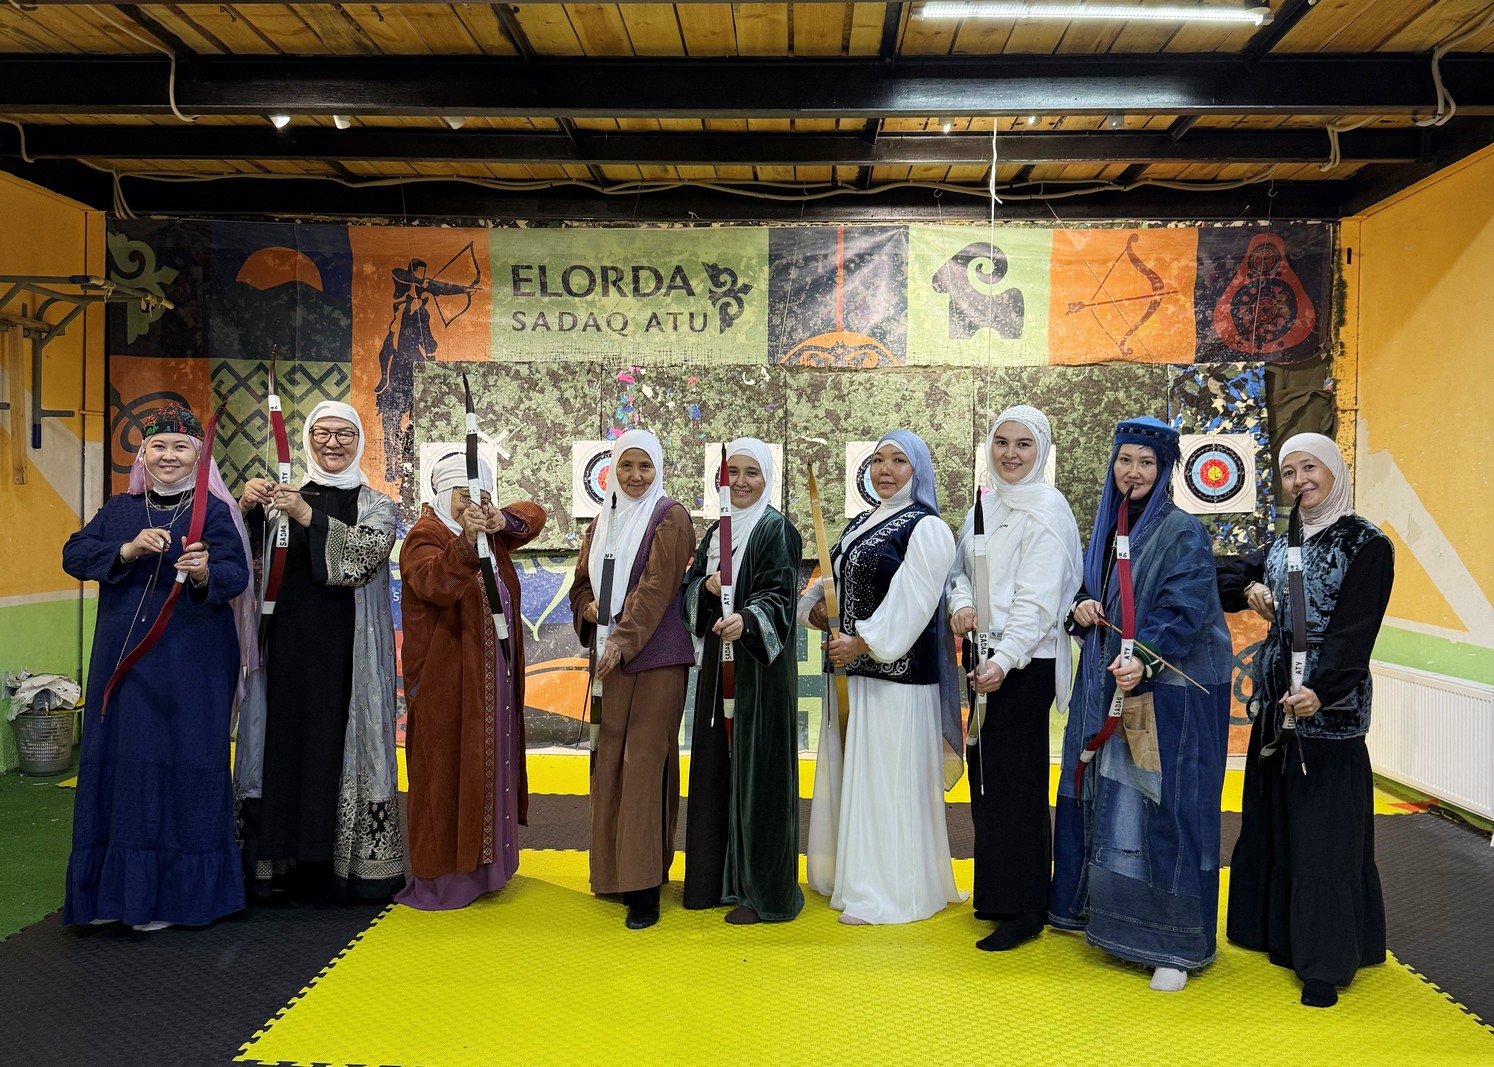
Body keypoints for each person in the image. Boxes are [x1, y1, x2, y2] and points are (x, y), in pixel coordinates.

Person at [1050, 417, 1232, 991]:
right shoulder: (1108, 527)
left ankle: (1173, 947)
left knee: (1163, 806)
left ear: (1165, 469)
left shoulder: (1182, 531)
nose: (1133, 472)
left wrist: (1145, 658)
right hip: (1110, 684)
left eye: (1147, 463)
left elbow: (1183, 607)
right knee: (1110, 800)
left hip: (1166, 696)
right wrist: (1080, 607)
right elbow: (1091, 592)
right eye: (1125, 460)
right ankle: (1107, 919)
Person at [62, 402, 253, 931]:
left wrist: (203, 570)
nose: (169, 456)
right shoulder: (119, 510)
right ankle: (114, 897)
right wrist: (126, 550)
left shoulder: (215, 513)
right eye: (158, 446)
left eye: (181, 447)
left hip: (192, 665)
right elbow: (75, 554)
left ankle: (174, 899)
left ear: (199, 455)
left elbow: (236, 575)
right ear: (142, 454)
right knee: (122, 761)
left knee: (185, 759)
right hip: (125, 664)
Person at [1221, 433, 1394, 1009]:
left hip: (1328, 710)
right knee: (1273, 820)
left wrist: (1321, 690)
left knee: (1324, 835)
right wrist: (1249, 586)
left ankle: (1324, 961)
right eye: (1289, 471)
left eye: (1310, 468)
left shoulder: (1365, 543)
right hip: (1277, 706)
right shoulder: (1283, 544)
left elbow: (1354, 631)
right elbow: (1222, 575)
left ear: (1335, 471)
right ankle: (1271, 933)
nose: (1299, 481)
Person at [234, 401, 404, 903]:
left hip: (347, 652)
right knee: (283, 741)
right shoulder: (279, 500)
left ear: (359, 441)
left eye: (344, 434)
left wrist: (305, 514)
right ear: (307, 439)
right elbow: (237, 559)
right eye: (322, 433)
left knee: (335, 743)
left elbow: (364, 557)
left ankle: (344, 868)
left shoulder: (376, 504)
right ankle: (275, 862)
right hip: (284, 649)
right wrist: (245, 509)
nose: (333, 443)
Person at [801, 430, 964, 926]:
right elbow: (831, 584)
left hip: (898, 680)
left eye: (898, 461)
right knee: (858, 776)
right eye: (877, 461)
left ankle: (890, 892)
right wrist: (814, 612)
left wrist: (861, 642)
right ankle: (854, 877)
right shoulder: (860, 523)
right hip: (852, 675)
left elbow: (912, 603)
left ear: (918, 470)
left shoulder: (927, 528)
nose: (886, 470)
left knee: (888, 781)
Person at [947, 406, 1082, 951]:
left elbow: (1038, 603)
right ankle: (996, 895)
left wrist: (1003, 661)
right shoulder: (986, 505)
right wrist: (961, 605)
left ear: (1041, 450)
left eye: (1023, 444)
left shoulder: (1048, 511)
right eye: (1001, 442)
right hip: (983, 657)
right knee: (987, 781)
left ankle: (1026, 907)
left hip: (1023, 666)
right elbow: (960, 572)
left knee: (1016, 783)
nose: (1010, 454)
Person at [396, 452, 547, 910]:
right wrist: (465, 542)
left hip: (488, 678)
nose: (473, 503)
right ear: (443, 493)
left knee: (487, 766)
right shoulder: (426, 535)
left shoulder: (491, 534)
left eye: (482, 494)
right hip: (446, 683)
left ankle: (487, 871)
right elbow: (433, 583)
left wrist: (500, 520)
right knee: (443, 771)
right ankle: (444, 880)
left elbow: (535, 515)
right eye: (464, 494)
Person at [567, 430, 695, 930]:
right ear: (612, 470)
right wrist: (588, 609)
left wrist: (620, 639)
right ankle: (614, 874)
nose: (636, 476)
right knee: (608, 763)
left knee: (642, 764)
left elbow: (657, 587)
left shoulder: (670, 516)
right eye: (626, 466)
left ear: (658, 469)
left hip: (655, 659)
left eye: (645, 466)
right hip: (611, 658)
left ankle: (643, 888)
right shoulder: (603, 520)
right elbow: (582, 582)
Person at [681, 439, 804, 924]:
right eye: (732, 472)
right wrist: (705, 587)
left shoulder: (776, 530)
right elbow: (690, 589)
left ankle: (762, 891)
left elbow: (779, 596)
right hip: (719, 662)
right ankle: (712, 880)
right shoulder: (717, 531)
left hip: (759, 670)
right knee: (716, 765)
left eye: (752, 472)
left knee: (760, 775)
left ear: (767, 477)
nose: (741, 482)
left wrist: (748, 620)